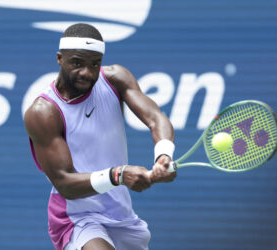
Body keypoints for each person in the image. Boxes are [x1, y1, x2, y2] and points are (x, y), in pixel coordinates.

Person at [24, 23, 177, 250]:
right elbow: (64, 182)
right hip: (76, 216)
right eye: (77, 63)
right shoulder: (43, 112)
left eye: (94, 64)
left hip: (121, 214)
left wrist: (163, 155)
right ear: (59, 58)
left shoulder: (116, 78)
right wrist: (118, 175)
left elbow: (156, 118)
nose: (87, 72)